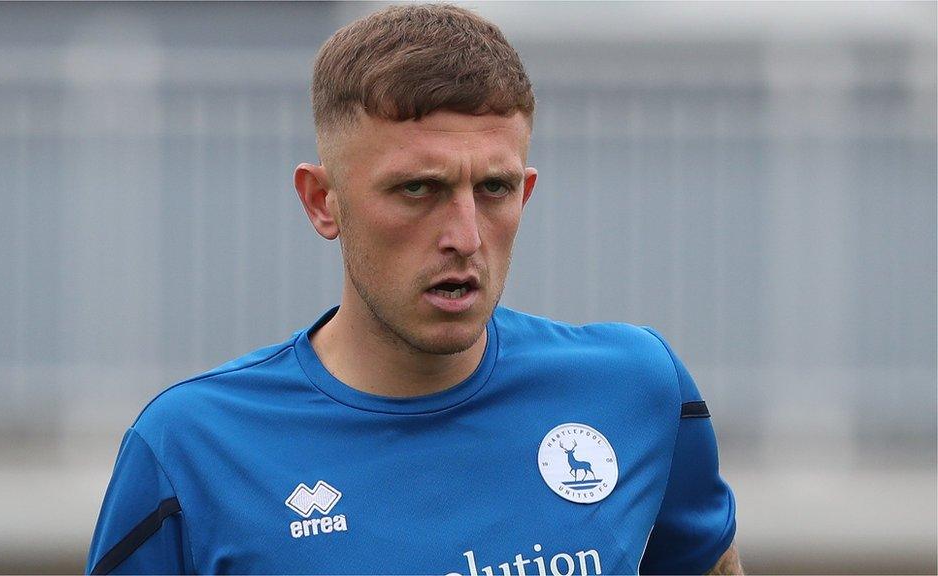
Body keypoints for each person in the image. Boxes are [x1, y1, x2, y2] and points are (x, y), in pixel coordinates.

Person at [86, 4, 742, 575]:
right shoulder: (191, 451)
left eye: (493, 189)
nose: (464, 235)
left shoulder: (638, 390)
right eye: (417, 189)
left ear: (527, 192)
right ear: (322, 202)